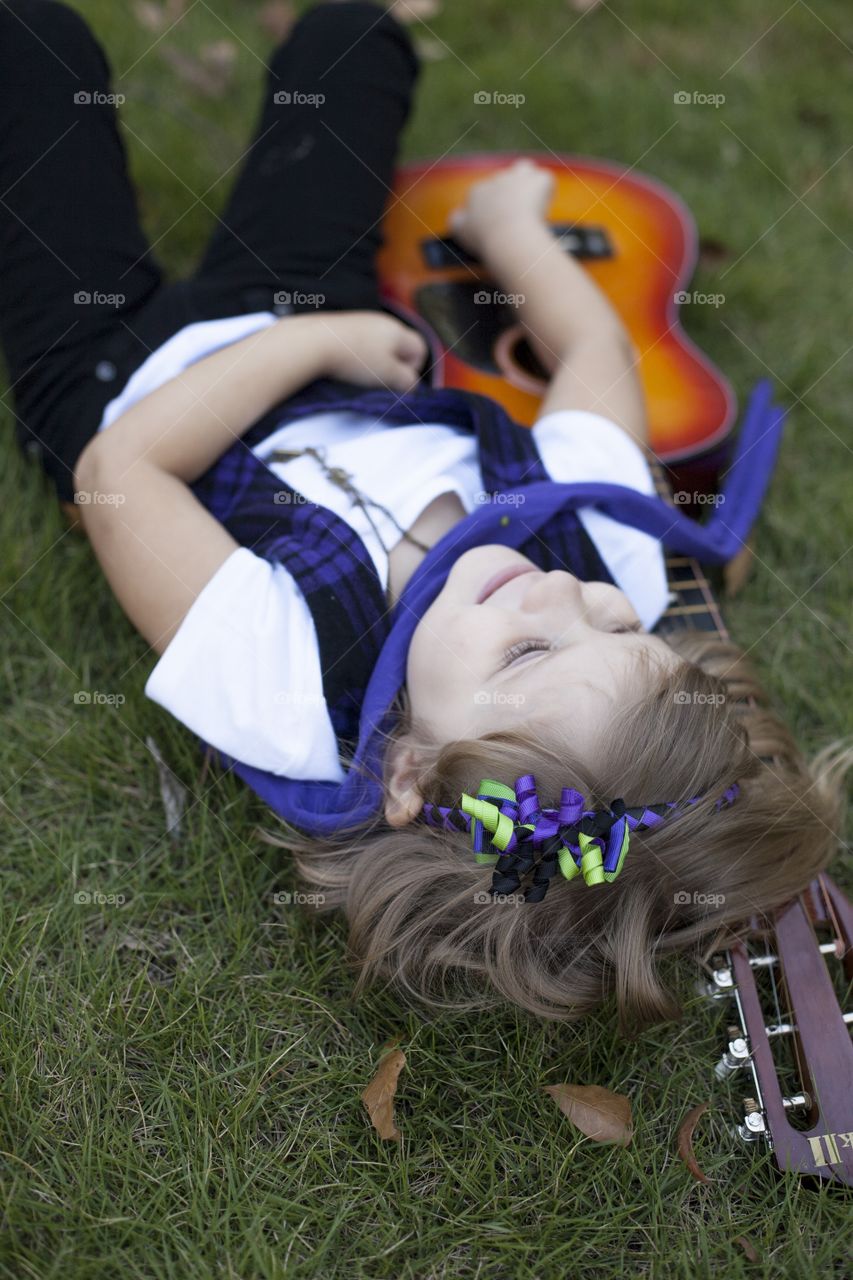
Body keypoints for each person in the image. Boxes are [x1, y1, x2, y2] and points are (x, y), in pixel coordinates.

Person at [1, 0, 847, 1029]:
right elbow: (595, 361)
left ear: (408, 768)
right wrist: (513, 235)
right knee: (349, 43)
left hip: (117, 371)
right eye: (621, 623)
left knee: (36, 51)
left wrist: (317, 349)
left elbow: (122, 471)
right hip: (298, 294)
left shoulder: (296, 690)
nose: (564, 592)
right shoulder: (600, 555)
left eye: (529, 652)